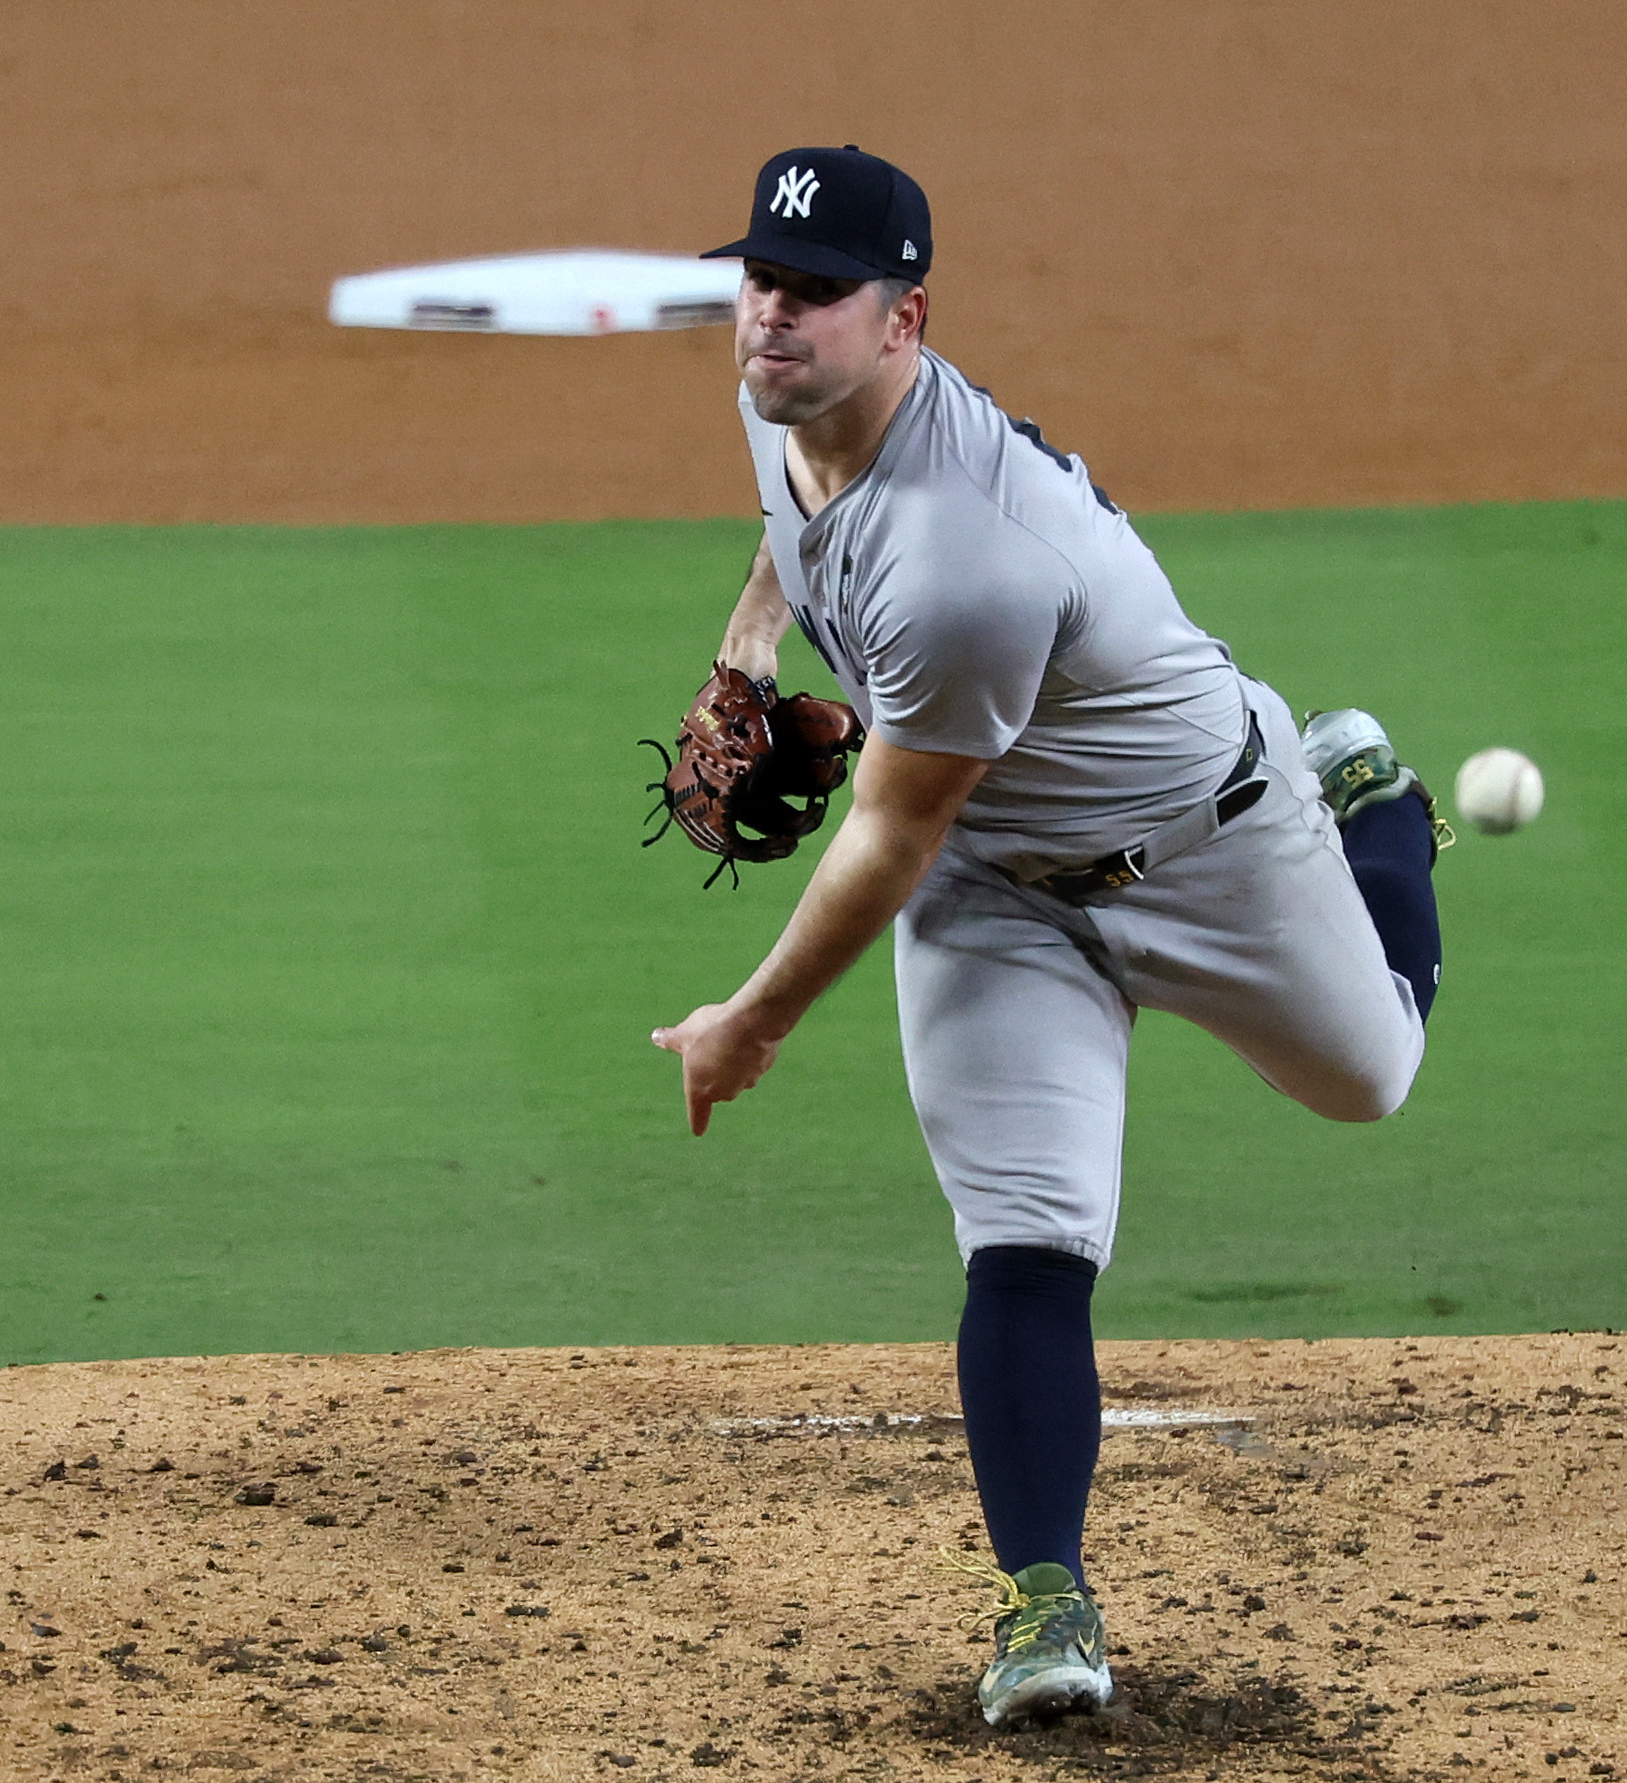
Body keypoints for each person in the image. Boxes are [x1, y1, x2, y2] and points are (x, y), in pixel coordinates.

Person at [651, 145, 1450, 1728]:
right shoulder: (780, 395)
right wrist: (734, 664)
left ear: (908, 321)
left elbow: (888, 833)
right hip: (1004, 892)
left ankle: (1363, 794)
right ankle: (1046, 1604)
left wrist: (750, 1018)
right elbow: (785, 537)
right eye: (760, 282)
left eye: (818, 294)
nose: (774, 318)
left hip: (1216, 853)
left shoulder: (965, 559)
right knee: (1026, 1235)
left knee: (1373, 1078)